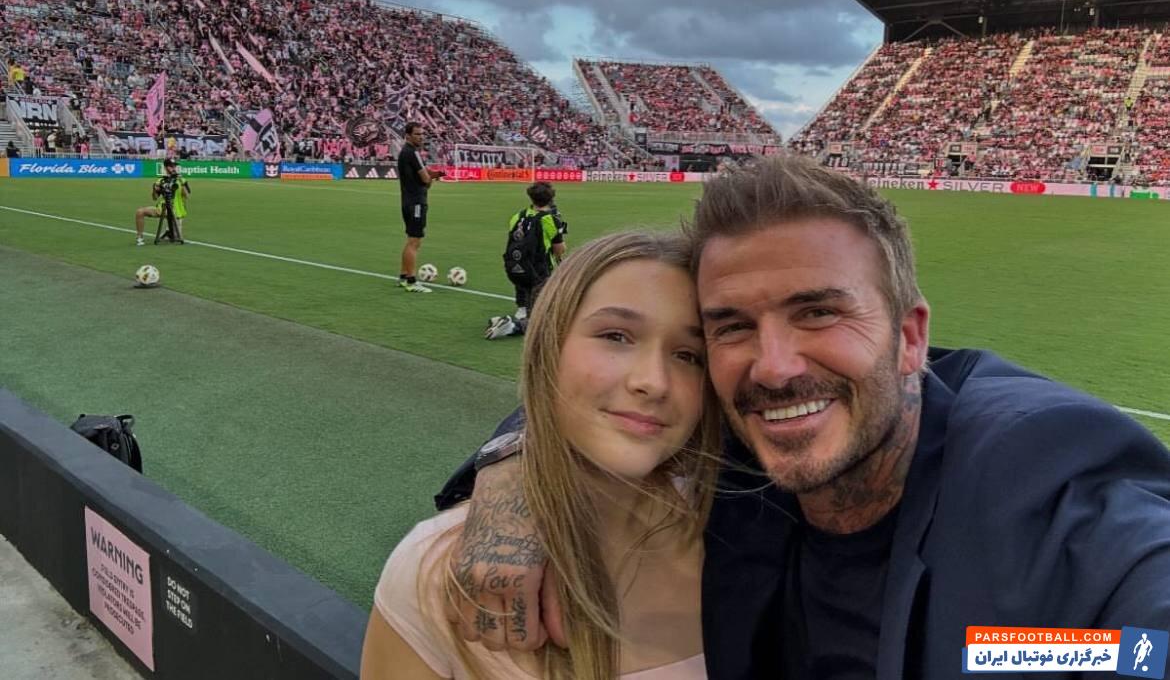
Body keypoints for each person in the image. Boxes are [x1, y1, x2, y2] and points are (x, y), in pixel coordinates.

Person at [437, 155, 1170, 679]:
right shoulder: (740, 442)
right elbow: (594, 398)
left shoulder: (1040, 484)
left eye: (818, 312)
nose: (775, 366)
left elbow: (1143, 630)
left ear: (910, 338)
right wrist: (517, 471)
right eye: (731, 326)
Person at [362, 232, 720, 679]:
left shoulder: (746, 532)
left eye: (689, 355)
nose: (653, 381)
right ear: (548, 348)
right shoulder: (434, 575)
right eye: (615, 336)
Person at [485, 182, 568, 340]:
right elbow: (559, 248)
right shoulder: (550, 219)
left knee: (528, 291)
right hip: (539, 272)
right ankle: (512, 326)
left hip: (516, 269)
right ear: (551, 198)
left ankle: (521, 310)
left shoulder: (518, 216)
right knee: (545, 322)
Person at [397, 122, 444, 294]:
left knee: (411, 239)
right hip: (416, 202)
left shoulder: (406, 152)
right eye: (417, 134)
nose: (421, 137)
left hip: (408, 201)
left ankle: (403, 277)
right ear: (408, 135)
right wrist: (432, 178)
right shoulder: (412, 152)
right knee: (414, 241)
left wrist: (433, 174)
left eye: (422, 134)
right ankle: (411, 281)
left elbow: (423, 173)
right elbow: (425, 179)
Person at [134, 157, 190, 246]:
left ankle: (168, 232)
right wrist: (154, 189)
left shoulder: (182, 180)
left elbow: (186, 196)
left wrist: (180, 182)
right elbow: (155, 198)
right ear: (166, 167)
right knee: (140, 212)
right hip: (164, 208)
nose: (174, 168)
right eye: (171, 166)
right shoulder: (161, 180)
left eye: (174, 166)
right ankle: (139, 237)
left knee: (176, 238)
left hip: (177, 211)